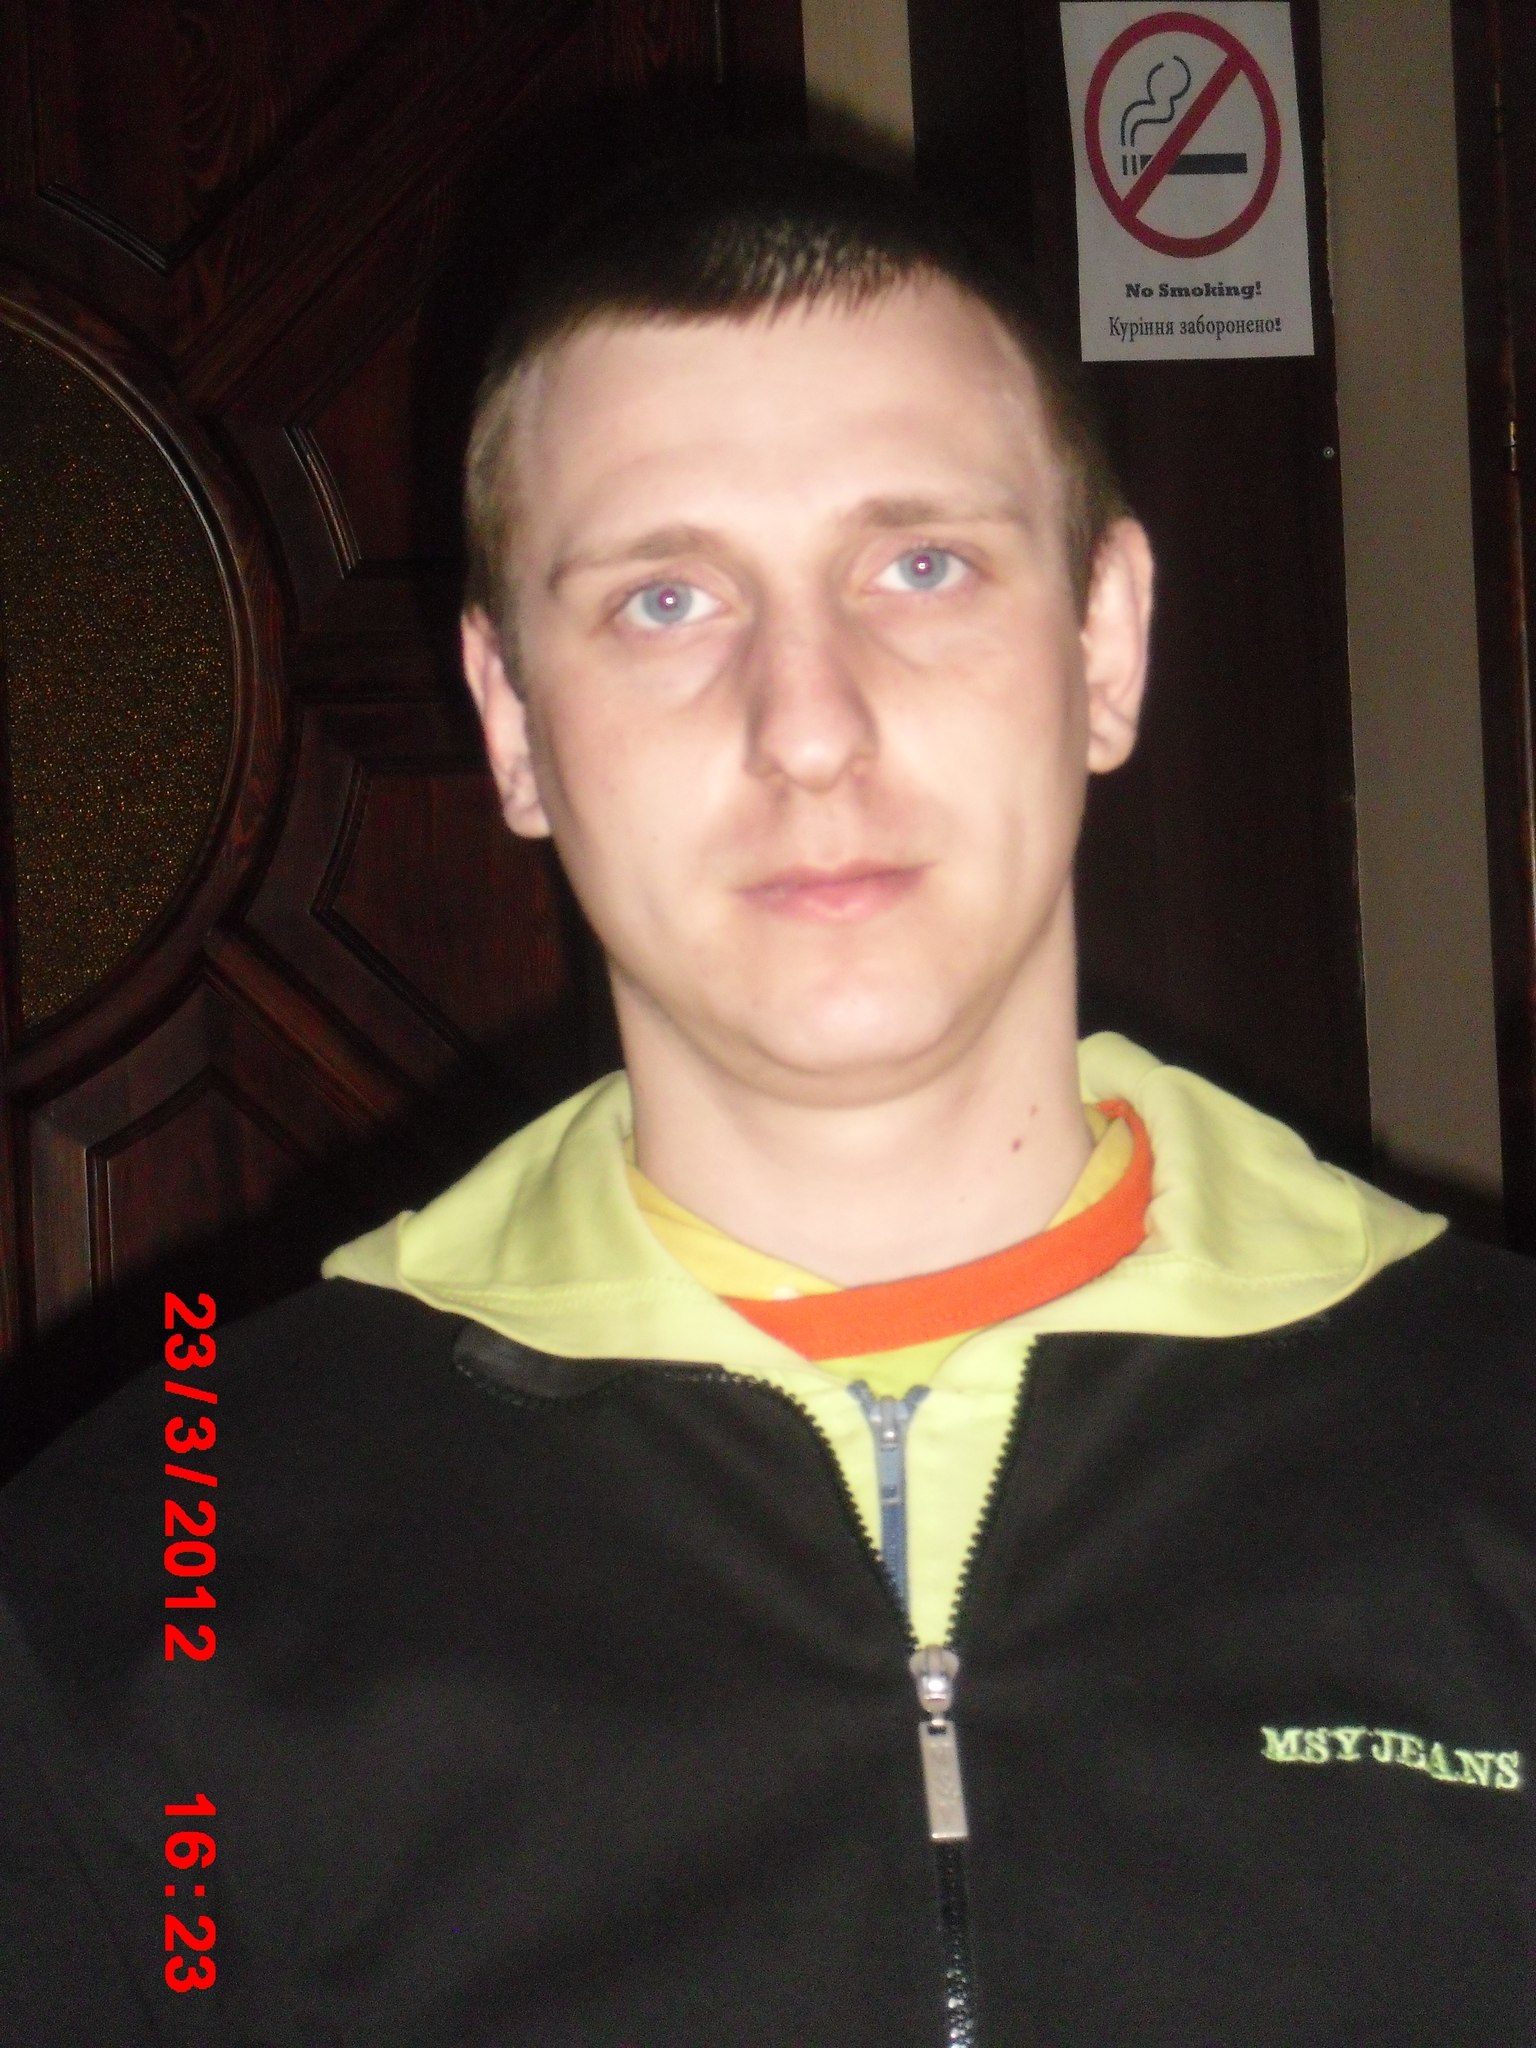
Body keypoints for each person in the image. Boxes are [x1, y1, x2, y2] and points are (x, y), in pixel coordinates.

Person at [1, 148, 1531, 2047]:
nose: (808, 725)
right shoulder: (154, 1573)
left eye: (921, 566)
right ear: (513, 724)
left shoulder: (1501, 1442)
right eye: (665, 600)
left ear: (1105, 645)